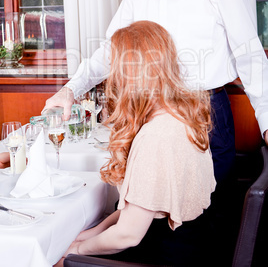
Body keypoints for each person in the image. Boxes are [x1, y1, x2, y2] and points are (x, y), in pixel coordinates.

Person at [44, 0, 268, 185]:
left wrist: (266, 124)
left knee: (206, 220)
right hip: (149, 115)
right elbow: (112, 51)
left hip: (206, 115)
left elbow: (251, 59)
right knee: (152, 215)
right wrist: (71, 89)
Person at [55, 20, 216, 267]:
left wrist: (75, 250)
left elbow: (128, 235)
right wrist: (90, 234)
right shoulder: (183, 114)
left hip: (162, 256)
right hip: (193, 246)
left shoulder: (155, 137)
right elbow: (139, 207)